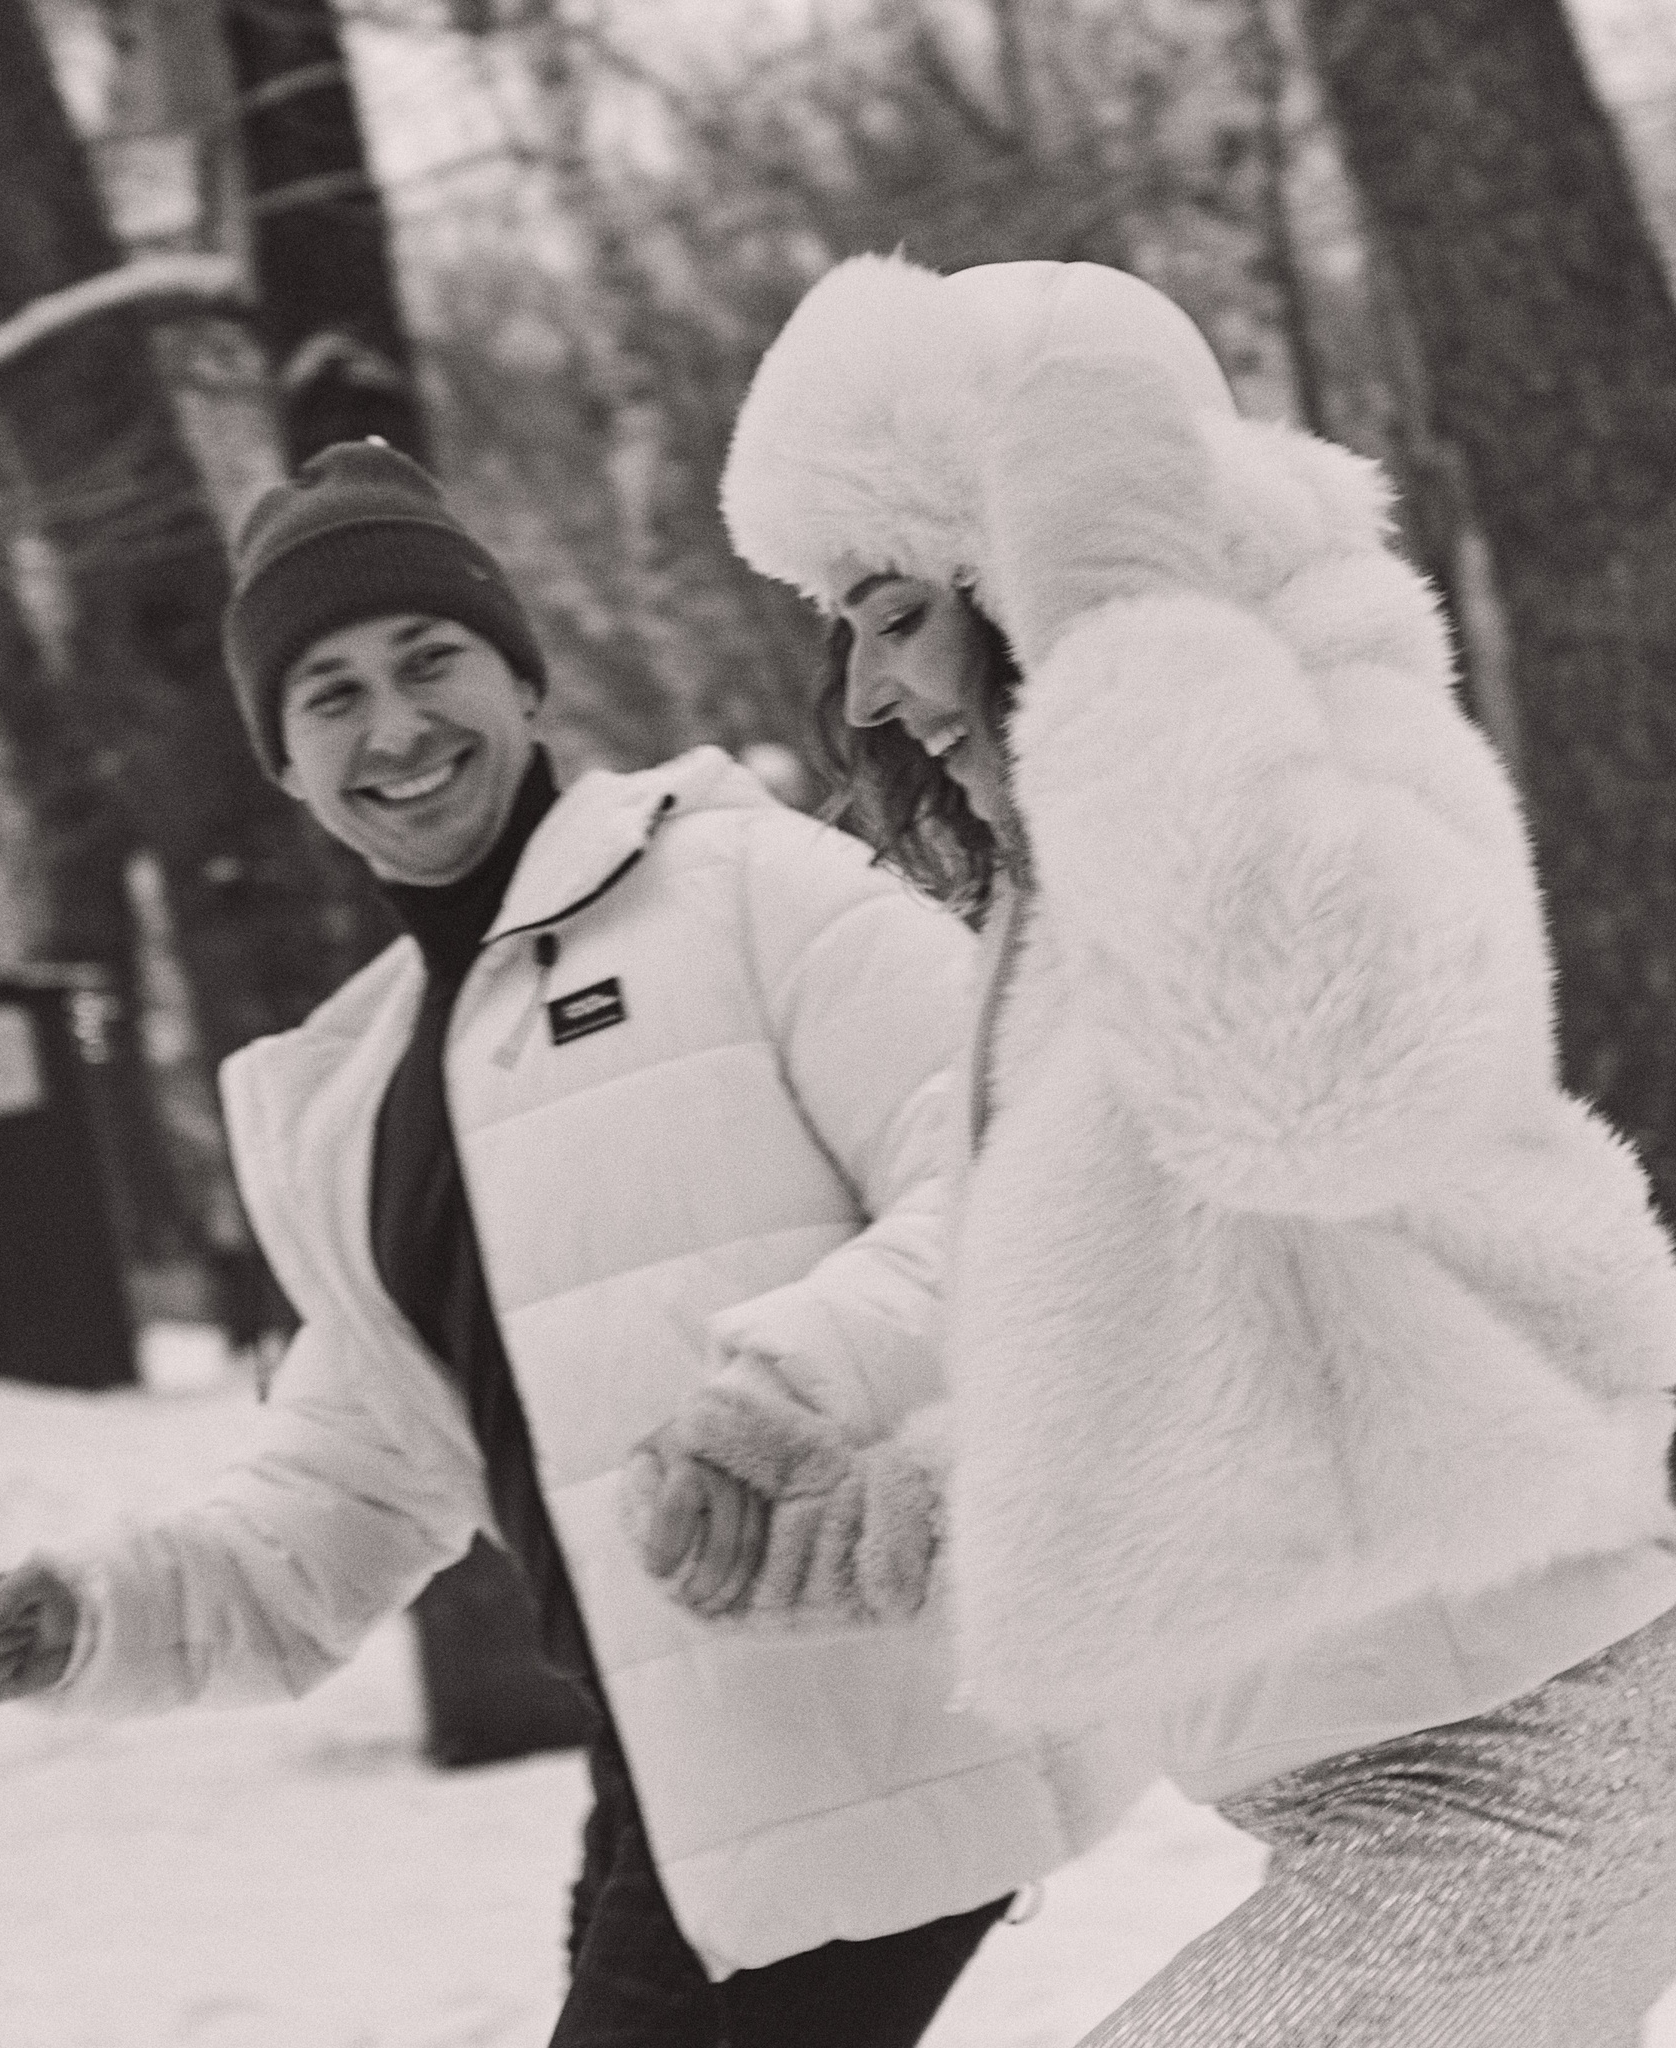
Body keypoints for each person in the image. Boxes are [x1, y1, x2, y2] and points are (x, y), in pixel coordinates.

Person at [0, 439, 1144, 2045]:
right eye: (329, 696)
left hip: (877, 1724)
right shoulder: (362, 1099)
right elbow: (347, 1486)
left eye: (430, 661)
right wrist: (101, 1615)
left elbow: (1023, 1174)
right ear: (286, 768)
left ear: (521, 681)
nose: (395, 727)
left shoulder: (737, 887)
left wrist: (783, 1389)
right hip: (680, 1768)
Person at [634, 251, 1676, 2044]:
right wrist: (865, 1480)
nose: (869, 698)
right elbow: (1200, 1312)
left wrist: (1121, 615)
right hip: (1386, 1791)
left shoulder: (1328, 727)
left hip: (1540, 1762)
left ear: (1018, 555)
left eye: (893, 612)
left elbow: (1311, 1089)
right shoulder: (1079, 885)